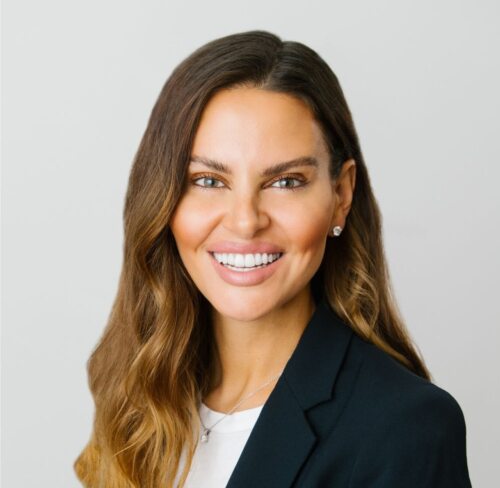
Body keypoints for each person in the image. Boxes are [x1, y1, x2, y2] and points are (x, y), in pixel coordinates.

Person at [74, 30, 472, 488]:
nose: (246, 221)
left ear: (341, 195)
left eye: (285, 182)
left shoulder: (406, 428)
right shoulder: (138, 398)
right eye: (208, 181)